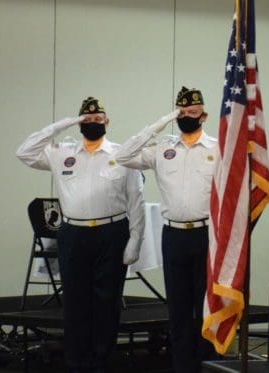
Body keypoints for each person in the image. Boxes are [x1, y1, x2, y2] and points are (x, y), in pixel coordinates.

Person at [16, 97, 145, 373]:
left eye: (98, 119)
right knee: (75, 302)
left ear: (107, 121)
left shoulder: (122, 154)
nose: (92, 123)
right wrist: (63, 124)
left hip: (112, 233)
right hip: (73, 233)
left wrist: (136, 239)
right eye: (86, 120)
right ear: (78, 123)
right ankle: (77, 362)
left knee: (106, 302)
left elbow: (136, 199)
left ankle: (101, 361)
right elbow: (25, 152)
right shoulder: (63, 152)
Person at [114, 86, 216, 373]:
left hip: (206, 235)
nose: (186, 117)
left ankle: (209, 365)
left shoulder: (217, 149)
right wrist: (159, 124)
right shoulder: (163, 149)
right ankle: (182, 366)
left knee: (205, 308)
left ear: (203, 116)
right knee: (179, 309)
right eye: (181, 113)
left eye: (192, 113)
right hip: (173, 236)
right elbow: (123, 156)